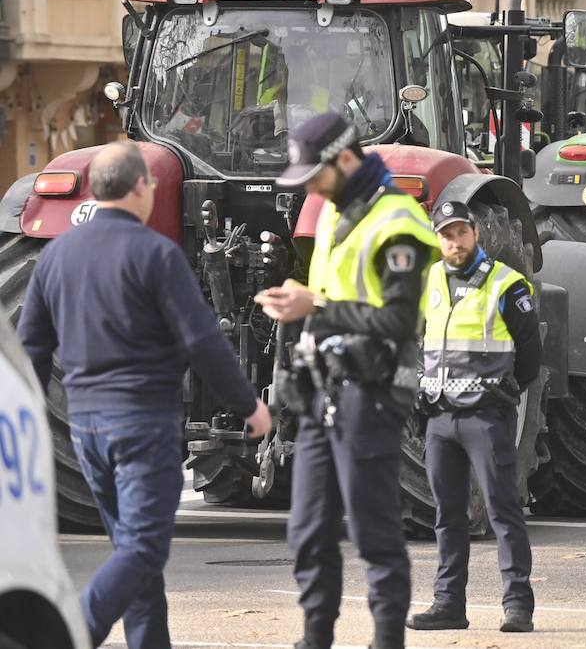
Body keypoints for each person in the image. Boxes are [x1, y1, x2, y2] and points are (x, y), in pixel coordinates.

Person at [18, 142, 271, 649]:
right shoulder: (157, 254)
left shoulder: (57, 256)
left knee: (132, 548)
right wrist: (249, 405)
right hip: (140, 424)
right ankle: (69, 632)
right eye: (151, 184)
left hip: (86, 431)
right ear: (139, 188)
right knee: (143, 549)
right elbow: (202, 341)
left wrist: (25, 424)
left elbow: (31, 350)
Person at [255, 111, 439, 649]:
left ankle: (386, 640)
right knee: (309, 530)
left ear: (347, 158)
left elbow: (399, 321)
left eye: (316, 173)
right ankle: (315, 638)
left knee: (373, 530)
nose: (309, 185)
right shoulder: (338, 213)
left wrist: (318, 304)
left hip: (372, 392)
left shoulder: (398, 220)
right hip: (323, 392)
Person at [407, 200, 542, 634]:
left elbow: (530, 359)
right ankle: (449, 604)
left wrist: (501, 393)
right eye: (446, 234)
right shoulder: (429, 280)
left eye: (461, 233)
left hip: (486, 417)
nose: (455, 241)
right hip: (440, 418)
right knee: (446, 516)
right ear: (438, 239)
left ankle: (517, 605)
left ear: (476, 234)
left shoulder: (507, 284)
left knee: (503, 510)